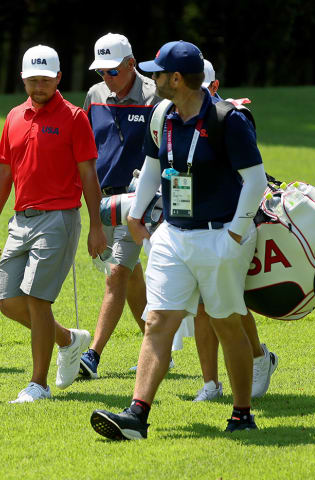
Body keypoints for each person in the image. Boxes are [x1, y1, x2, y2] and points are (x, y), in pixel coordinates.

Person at [90, 41, 267, 439]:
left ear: (176, 79)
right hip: (173, 235)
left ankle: (242, 413)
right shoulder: (163, 114)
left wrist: (236, 232)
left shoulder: (227, 119)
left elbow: (255, 181)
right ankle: (137, 415)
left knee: (225, 323)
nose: (151, 78)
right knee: (158, 321)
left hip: (221, 235)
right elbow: (154, 167)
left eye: (158, 72)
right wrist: (137, 215)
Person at [0, 44, 108, 403]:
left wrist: (96, 227)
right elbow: (3, 173)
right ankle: (68, 340)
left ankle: (38, 384)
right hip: (20, 220)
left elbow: (89, 176)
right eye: (31, 79)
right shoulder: (14, 117)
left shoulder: (74, 118)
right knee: (9, 302)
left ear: (58, 78)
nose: (38, 86)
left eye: (45, 79)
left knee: (38, 300)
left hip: (59, 219)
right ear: (23, 79)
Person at [178, 59, 278, 402]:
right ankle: (211, 383)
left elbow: (249, 175)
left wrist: (235, 230)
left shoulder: (230, 118)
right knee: (204, 306)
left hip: (228, 222)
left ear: (213, 86)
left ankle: (258, 358)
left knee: (227, 303)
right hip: (190, 223)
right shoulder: (176, 116)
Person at [79, 33, 161, 379]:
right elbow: (85, 154)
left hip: (137, 202)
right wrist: (92, 218)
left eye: (113, 71)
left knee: (117, 276)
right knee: (128, 278)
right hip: (103, 200)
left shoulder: (155, 96)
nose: (106, 79)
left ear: (131, 64)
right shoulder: (95, 96)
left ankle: (91, 356)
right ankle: (158, 348)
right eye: (101, 72)